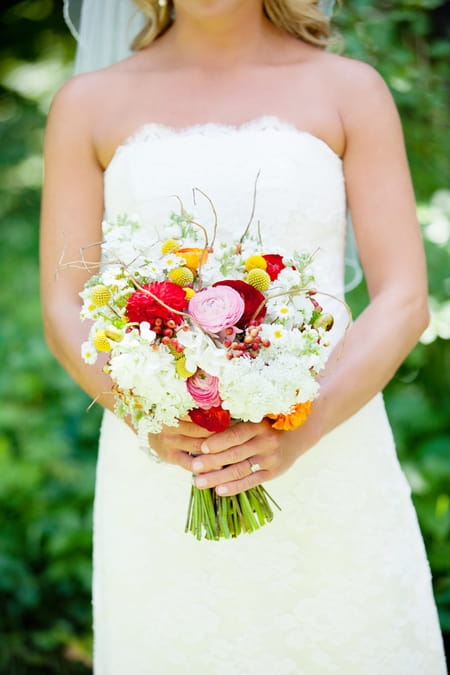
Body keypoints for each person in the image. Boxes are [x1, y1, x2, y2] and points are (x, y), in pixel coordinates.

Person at [40, 0, 447, 672]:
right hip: (165, 463)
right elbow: (62, 304)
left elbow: (404, 299)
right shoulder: (86, 106)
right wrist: (150, 414)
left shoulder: (350, 91)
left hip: (331, 450)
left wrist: (300, 429)